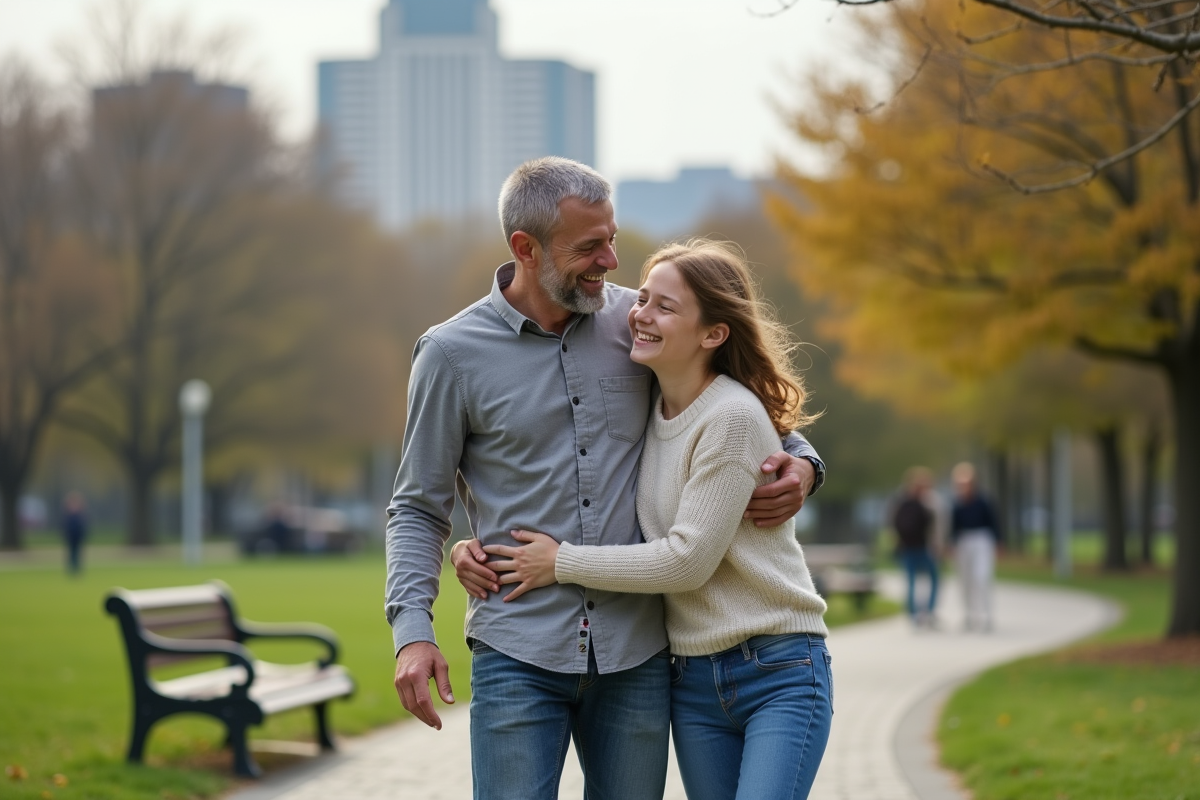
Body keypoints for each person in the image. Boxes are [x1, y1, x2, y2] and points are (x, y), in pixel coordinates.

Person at [385, 157, 826, 800]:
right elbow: (417, 506)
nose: (611, 262)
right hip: (518, 647)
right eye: (590, 247)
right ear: (525, 248)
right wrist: (412, 634)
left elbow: (741, 399)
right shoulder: (451, 354)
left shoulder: (641, 324)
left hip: (637, 657)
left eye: (612, 238)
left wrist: (807, 463)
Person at [474, 239, 832, 800]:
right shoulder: (649, 401)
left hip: (775, 669)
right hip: (691, 677)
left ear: (713, 334)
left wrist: (560, 562)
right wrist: (469, 542)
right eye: (642, 298)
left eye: (665, 306)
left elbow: (687, 561)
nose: (638, 314)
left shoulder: (733, 416)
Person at [950, 462, 1002, 632]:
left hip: (982, 539)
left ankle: (987, 615)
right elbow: (954, 527)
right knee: (965, 580)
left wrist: (998, 542)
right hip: (964, 541)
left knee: (981, 578)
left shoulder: (984, 501)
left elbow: (994, 523)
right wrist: (952, 545)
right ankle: (969, 615)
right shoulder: (957, 503)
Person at [891, 467, 940, 628]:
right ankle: (921, 613)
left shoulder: (906, 502)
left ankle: (921, 613)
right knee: (920, 580)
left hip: (913, 547)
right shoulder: (915, 504)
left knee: (917, 580)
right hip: (916, 547)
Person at [62, 491, 88, 576]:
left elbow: (83, 528)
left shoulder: (80, 516)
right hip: (71, 537)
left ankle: (77, 568)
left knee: (77, 553)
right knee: (71, 553)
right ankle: (71, 568)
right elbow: (65, 528)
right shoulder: (68, 517)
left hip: (78, 537)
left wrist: (83, 536)